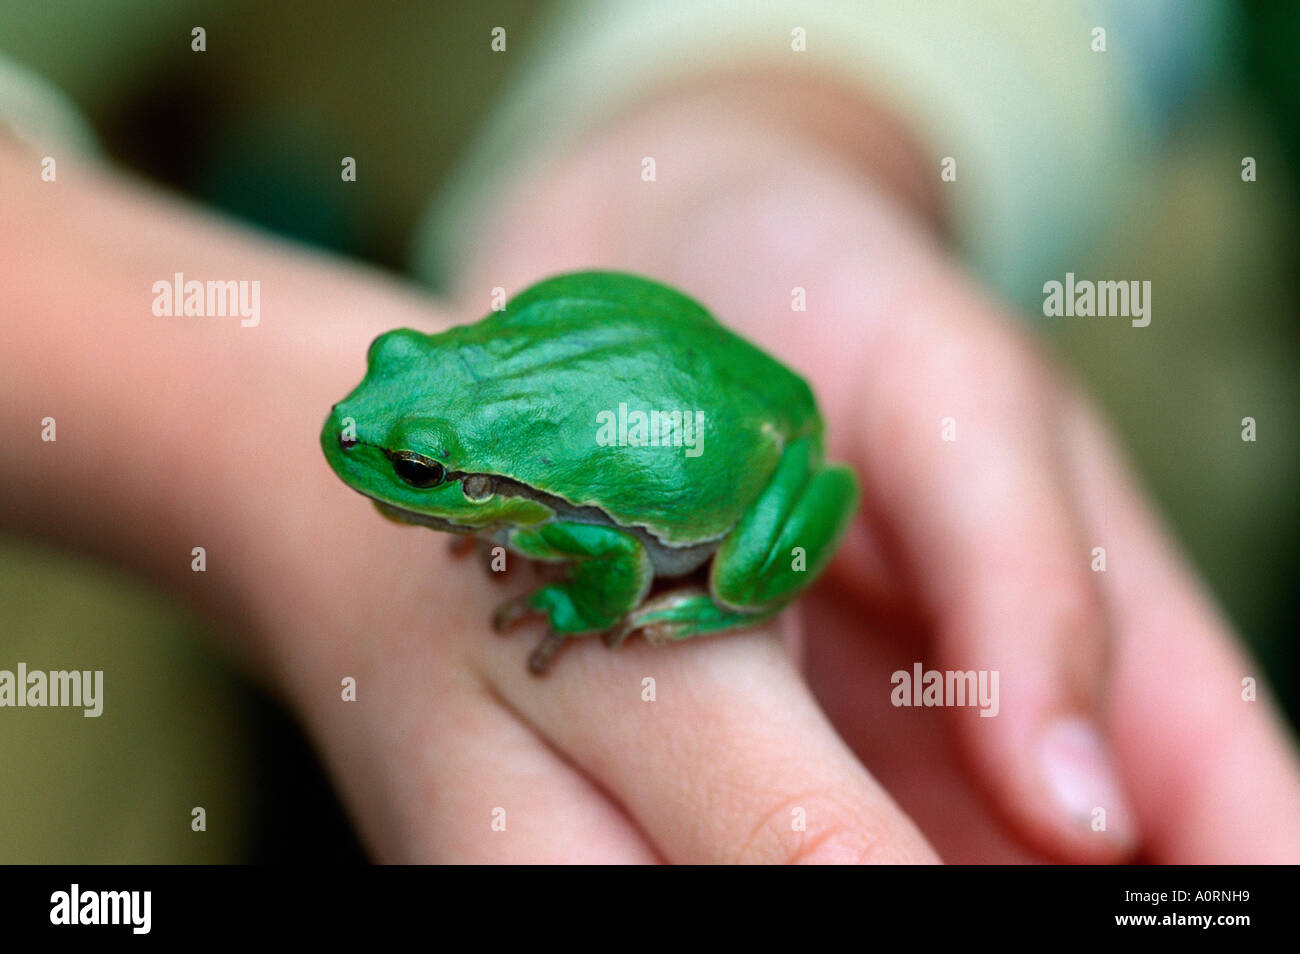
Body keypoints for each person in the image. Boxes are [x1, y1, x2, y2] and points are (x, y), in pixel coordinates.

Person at [2, 0, 1297, 863]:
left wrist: (769, 119)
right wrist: (197, 430)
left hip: (756, 479)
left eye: (415, 465)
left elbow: (612, 558)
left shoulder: (548, 501)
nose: (358, 437)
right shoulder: (482, 443)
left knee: (1141, 368)